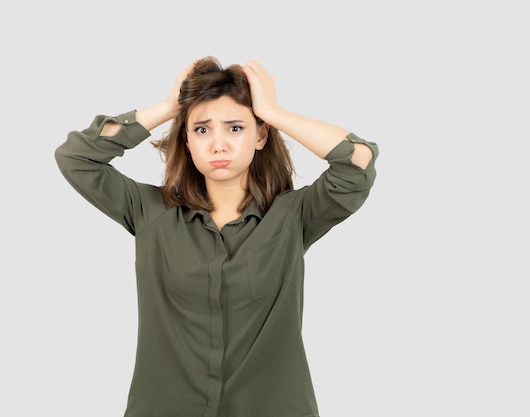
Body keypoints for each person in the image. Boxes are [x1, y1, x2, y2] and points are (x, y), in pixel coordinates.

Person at [55, 56, 378, 417]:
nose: (218, 144)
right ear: (188, 141)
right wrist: (169, 107)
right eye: (202, 130)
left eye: (235, 128)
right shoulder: (150, 211)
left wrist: (271, 111)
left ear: (260, 135)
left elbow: (358, 160)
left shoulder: (293, 216)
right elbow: (77, 157)